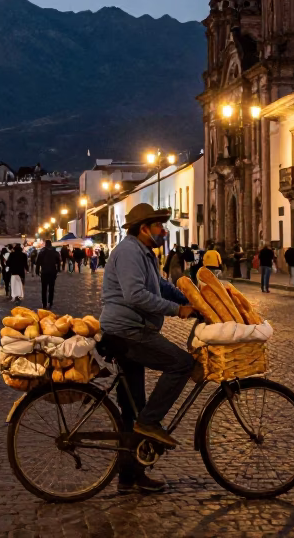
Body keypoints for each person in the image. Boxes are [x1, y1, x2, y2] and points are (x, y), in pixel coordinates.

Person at [99, 203, 196, 494]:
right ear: (144, 229)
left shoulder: (145, 253)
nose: (163, 231)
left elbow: (161, 287)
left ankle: (130, 476)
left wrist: (193, 301)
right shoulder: (129, 251)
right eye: (158, 226)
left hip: (133, 329)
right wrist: (176, 311)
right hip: (127, 331)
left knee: (132, 405)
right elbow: (136, 294)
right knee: (181, 363)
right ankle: (150, 422)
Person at [36, 239, 61, 308]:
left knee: (44, 288)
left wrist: (37, 271)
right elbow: (58, 262)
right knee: (51, 288)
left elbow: (38, 262)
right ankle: (50, 302)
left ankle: (44, 304)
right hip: (52, 272)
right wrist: (58, 270)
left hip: (44, 272)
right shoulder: (55, 252)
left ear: (45, 244)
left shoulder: (42, 252)